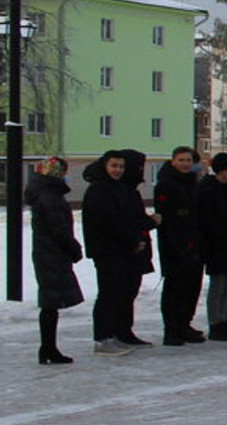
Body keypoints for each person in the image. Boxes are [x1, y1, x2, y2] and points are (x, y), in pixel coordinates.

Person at [81, 150, 154, 354]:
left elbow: (127, 219)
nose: (118, 170)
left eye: (121, 167)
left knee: (120, 293)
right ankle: (103, 339)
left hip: (121, 250)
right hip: (107, 251)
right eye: (114, 166)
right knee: (109, 294)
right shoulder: (99, 189)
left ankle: (116, 334)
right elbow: (109, 222)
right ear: (105, 165)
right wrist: (132, 241)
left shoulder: (117, 188)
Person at [28, 156, 84, 365]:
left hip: (47, 253)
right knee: (50, 303)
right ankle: (48, 348)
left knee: (51, 303)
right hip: (51, 254)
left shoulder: (45, 194)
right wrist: (74, 248)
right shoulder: (50, 197)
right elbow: (58, 228)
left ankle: (48, 348)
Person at [153, 146, 206, 345]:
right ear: (173, 161)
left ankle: (184, 324)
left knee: (191, 287)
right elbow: (169, 220)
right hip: (174, 245)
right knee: (174, 288)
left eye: (188, 160)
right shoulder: (166, 184)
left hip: (194, 242)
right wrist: (179, 245)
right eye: (181, 160)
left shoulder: (192, 183)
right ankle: (171, 329)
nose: (185, 164)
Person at [196, 152, 227, 341]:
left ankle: (224, 320)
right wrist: (224, 233)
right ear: (222, 171)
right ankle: (215, 323)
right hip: (216, 244)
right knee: (219, 285)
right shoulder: (208, 190)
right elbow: (207, 220)